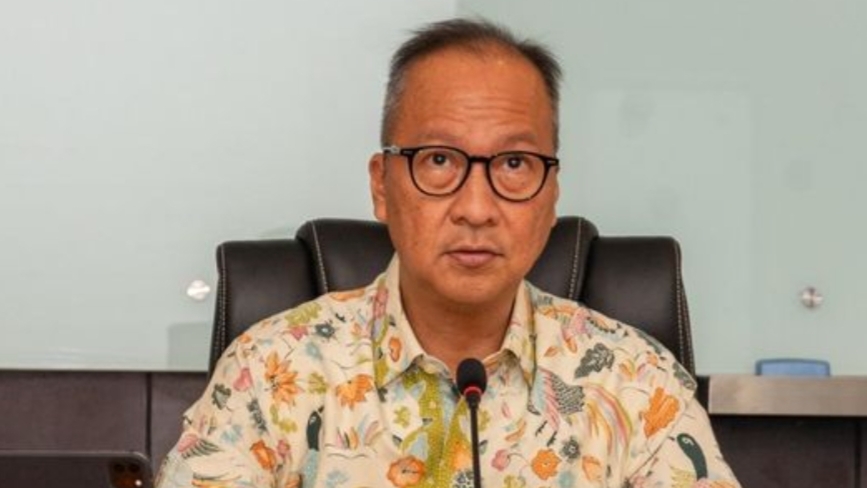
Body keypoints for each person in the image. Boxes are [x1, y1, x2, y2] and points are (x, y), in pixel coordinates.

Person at [156, 18, 741, 488]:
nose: (477, 208)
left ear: (551, 195)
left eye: (514, 164)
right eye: (439, 160)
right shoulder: (269, 371)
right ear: (381, 185)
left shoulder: (637, 384)